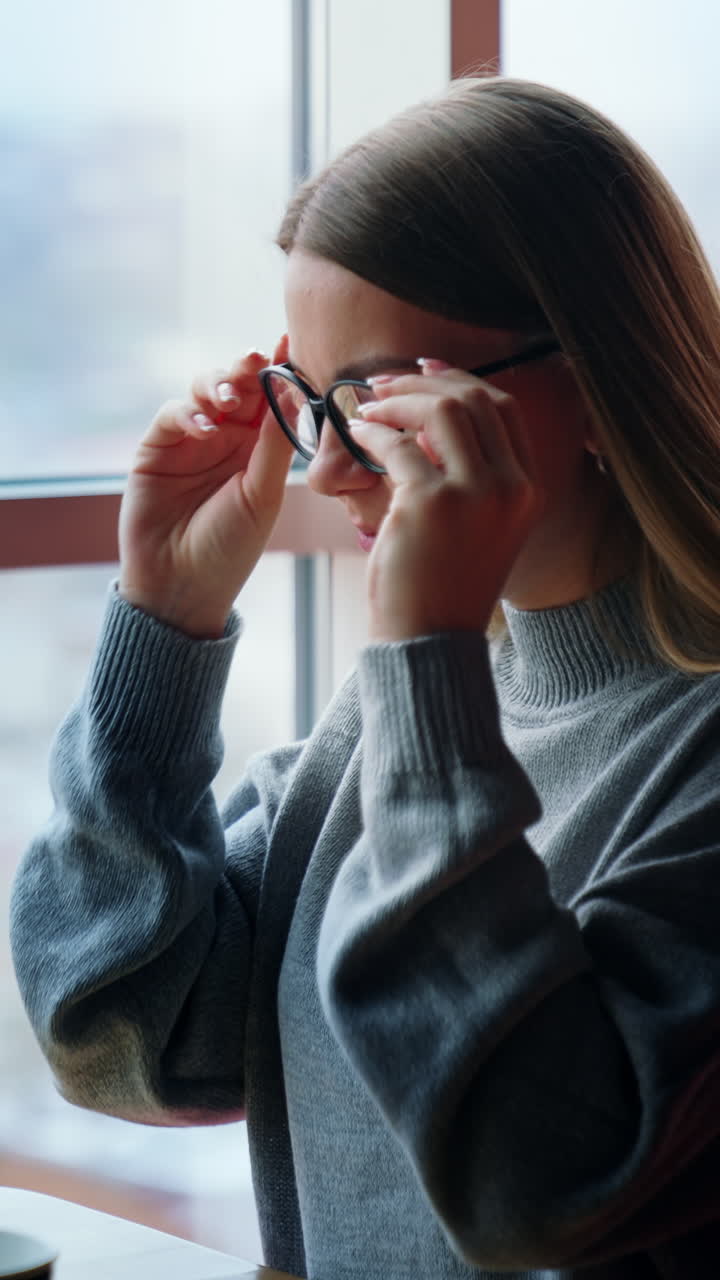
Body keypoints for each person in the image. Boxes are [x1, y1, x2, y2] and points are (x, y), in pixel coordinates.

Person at [10, 74, 720, 1280]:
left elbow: (534, 1179)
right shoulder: (387, 726)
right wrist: (163, 622)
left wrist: (425, 664)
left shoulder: (661, 745)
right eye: (312, 401)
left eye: (383, 400)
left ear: (596, 374)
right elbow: (126, 1030)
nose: (329, 469)